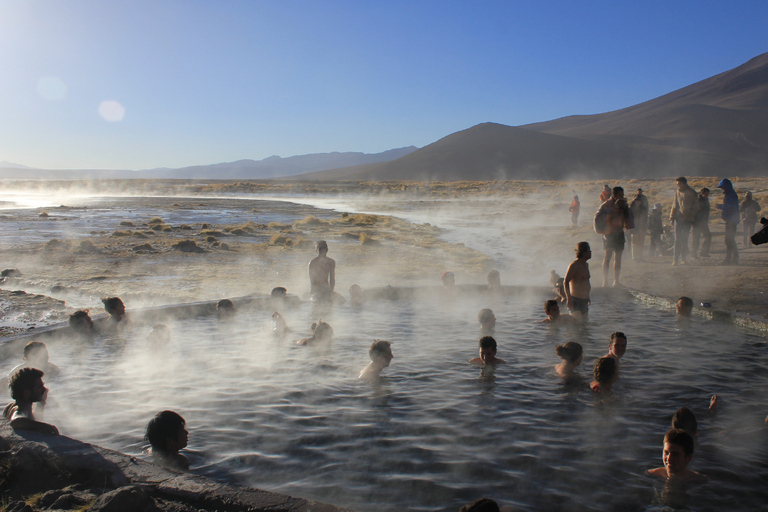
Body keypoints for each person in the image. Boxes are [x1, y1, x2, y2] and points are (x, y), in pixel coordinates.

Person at [3, 367, 58, 435]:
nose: (44, 389)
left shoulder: (16, 405)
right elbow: (16, 421)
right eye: (39, 387)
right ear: (27, 393)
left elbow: (34, 418)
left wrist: (41, 403)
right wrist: (42, 426)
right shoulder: (20, 409)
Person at [598, 186, 633, 287]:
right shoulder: (606, 205)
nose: (622, 197)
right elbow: (599, 217)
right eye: (620, 195)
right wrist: (613, 213)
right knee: (607, 257)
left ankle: (616, 281)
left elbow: (628, 215)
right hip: (609, 233)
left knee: (618, 258)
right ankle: (605, 281)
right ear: (614, 195)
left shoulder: (623, 204)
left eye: (622, 195)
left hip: (619, 232)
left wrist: (625, 208)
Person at [669, 177, 699, 265]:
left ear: (683, 183)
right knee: (677, 239)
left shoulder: (691, 192)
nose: (677, 185)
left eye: (678, 183)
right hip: (679, 219)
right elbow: (675, 204)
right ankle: (675, 259)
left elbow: (696, 205)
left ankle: (683, 258)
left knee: (685, 239)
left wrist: (691, 214)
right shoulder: (677, 192)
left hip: (688, 219)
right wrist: (672, 217)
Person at [564, 242, 591, 321]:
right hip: (576, 300)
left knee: (584, 325)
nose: (591, 253)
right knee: (577, 325)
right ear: (584, 253)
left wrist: (588, 296)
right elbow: (566, 282)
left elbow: (586, 281)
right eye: (589, 251)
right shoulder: (574, 265)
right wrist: (569, 298)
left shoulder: (586, 265)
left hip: (584, 300)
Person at [716, 178, 740, 265]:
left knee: (729, 240)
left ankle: (731, 259)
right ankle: (733, 259)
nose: (722, 189)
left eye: (723, 187)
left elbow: (730, 207)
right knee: (730, 240)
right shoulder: (730, 194)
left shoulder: (731, 194)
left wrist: (720, 206)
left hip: (731, 220)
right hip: (731, 220)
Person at [629, 188, 649, 260]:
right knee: (634, 243)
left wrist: (645, 227)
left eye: (639, 201)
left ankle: (640, 256)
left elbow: (645, 218)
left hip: (642, 227)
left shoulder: (643, 209)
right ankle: (634, 257)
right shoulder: (631, 209)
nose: (638, 202)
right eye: (636, 201)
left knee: (641, 243)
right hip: (634, 228)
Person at [691, 188, 711, 259]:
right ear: (702, 193)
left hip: (704, 222)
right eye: (706, 194)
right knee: (696, 238)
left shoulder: (706, 200)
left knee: (708, 237)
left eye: (708, 194)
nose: (707, 195)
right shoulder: (698, 201)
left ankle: (704, 252)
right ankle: (694, 254)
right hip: (697, 222)